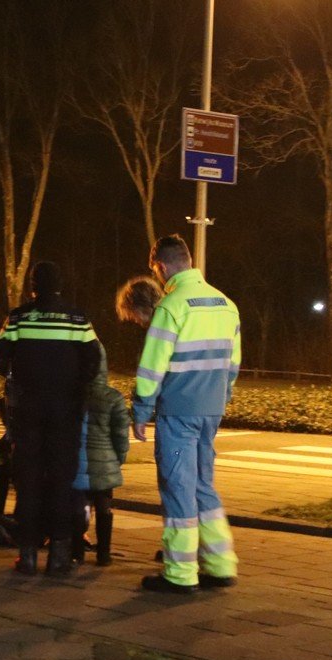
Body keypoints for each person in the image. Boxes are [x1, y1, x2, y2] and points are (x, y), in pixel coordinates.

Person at [132, 235, 241, 594]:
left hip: (178, 412)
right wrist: (220, 398)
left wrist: (141, 409)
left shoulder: (172, 306)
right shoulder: (227, 304)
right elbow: (233, 364)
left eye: (156, 271)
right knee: (202, 486)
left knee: (178, 488)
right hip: (211, 410)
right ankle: (221, 565)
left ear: (161, 267)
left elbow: (152, 367)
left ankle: (179, 573)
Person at [0, 261, 100, 576]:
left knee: (27, 482)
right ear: (61, 286)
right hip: (65, 413)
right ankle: (59, 555)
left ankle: (27, 556)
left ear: (32, 286)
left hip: (28, 412)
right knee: (61, 482)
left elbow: (0, 359)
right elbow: (93, 362)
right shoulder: (78, 319)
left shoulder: (17, 317)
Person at [71, 342, 132, 566]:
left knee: (78, 508)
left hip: (77, 464)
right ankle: (103, 553)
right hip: (104, 464)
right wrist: (118, 459)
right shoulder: (112, 398)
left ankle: (77, 551)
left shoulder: (71, 395)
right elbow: (121, 434)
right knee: (104, 508)